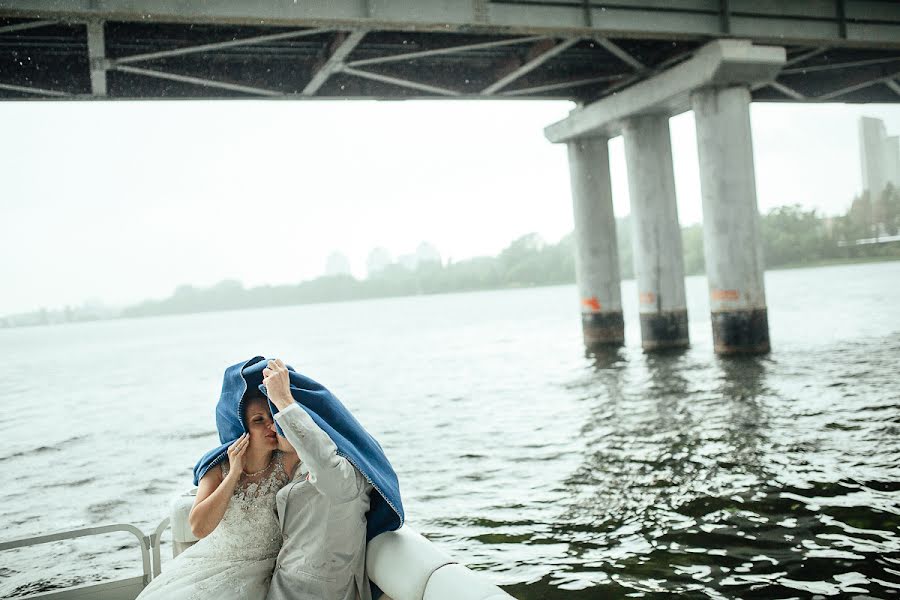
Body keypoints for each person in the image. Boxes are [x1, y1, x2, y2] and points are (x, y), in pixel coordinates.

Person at [136, 383, 298, 599]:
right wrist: (233, 475)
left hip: (270, 566)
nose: (270, 424)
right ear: (242, 429)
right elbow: (199, 528)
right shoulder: (217, 468)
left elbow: (305, 439)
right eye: (258, 420)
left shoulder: (284, 460)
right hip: (218, 561)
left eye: (272, 416)